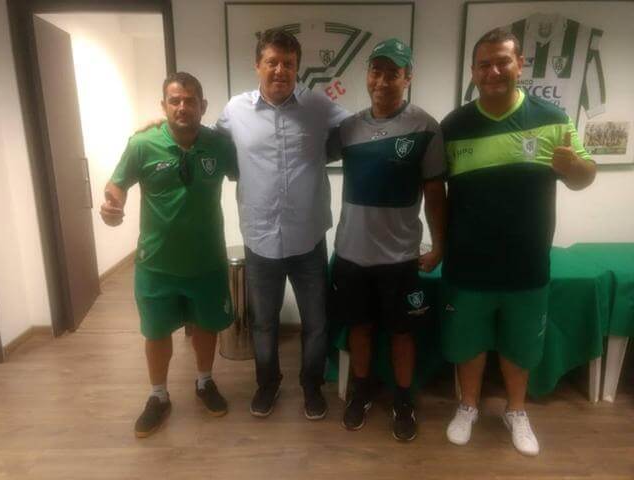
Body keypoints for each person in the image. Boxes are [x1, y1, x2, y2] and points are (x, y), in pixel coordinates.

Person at [440, 29, 596, 456]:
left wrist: (573, 166)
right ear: (473, 72)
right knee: (469, 344)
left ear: (520, 64)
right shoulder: (453, 127)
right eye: (484, 64)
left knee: (520, 346)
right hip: (467, 264)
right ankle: (468, 406)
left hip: (527, 265)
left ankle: (516, 411)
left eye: (502, 61)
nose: (493, 71)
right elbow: (435, 192)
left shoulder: (552, 119)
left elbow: (584, 178)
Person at [216, 29, 349, 420]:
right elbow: (207, 142)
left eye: (288, 63)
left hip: (308, 239)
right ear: (257, 65)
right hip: (260, 240)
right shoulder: (235, 110)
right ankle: (267, 385)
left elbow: (359, 128)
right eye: (272, 62)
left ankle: (311, 387)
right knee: (264, 323)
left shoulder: (318, 107)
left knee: (317, 323)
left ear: (297, 68)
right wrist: (158, 124)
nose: (280, 70)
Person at [100, 72, 237, 437]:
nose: (182, 107)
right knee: (157, 332)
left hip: (207, 261)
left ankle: (204, 382)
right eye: (174, 100)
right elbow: (116, 185)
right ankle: (158, 395)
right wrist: (112, 207)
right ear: (163, 106)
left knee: (207, 325)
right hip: (156, 265)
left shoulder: (219, 145)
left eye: (190, 101)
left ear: (202, 106)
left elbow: (252, 172)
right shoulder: (142, 144)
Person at [328, 38, 447, 442]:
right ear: (367, 75)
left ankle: (403, 399)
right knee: (359, 329)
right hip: (351, 255)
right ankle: (361, 392)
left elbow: (435, 193)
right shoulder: (347, 129)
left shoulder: (426, 127)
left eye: (392, 73)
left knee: (401, 333)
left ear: (407, 78)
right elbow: (299, 147)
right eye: (375, 71)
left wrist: (440, 245)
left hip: (400, 258)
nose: (381, 80)